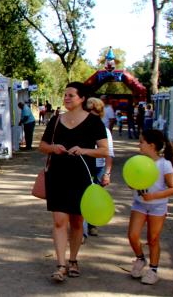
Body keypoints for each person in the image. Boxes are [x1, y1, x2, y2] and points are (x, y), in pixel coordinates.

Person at [38, 82, 108, 283]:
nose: (66, 98)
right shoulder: (56, 120)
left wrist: (84, 150)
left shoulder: (94, 122)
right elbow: (42, 146)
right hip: (58, 176)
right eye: (65, 94)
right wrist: (53, 148)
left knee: (77, 223)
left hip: (82, 177)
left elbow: (104, 150)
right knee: (59, 222)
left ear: (82, 98)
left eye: (71, 95)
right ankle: (60, 265)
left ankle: (73, 259)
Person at [128, 130, 173, 285]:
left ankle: (153, 270)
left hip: (157, 207)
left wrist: (154, 196)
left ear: (151, 145)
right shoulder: (138, 162)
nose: (139, 145)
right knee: (132, 235)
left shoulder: (165, 164)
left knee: (153, 238)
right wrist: (132, 184)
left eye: (141, 142)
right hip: (139, 204)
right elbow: (132, 180)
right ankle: (140, 258)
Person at [84, 98, 116, 238]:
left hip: (99, 167)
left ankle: (92, 224)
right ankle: (81, 229)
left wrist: (107, 173)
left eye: (96, 111)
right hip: (84, 166)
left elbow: (109, 153)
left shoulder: (105, 131)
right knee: (82, 196)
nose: (92, 114)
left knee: (94, 198)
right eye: (90, 111)